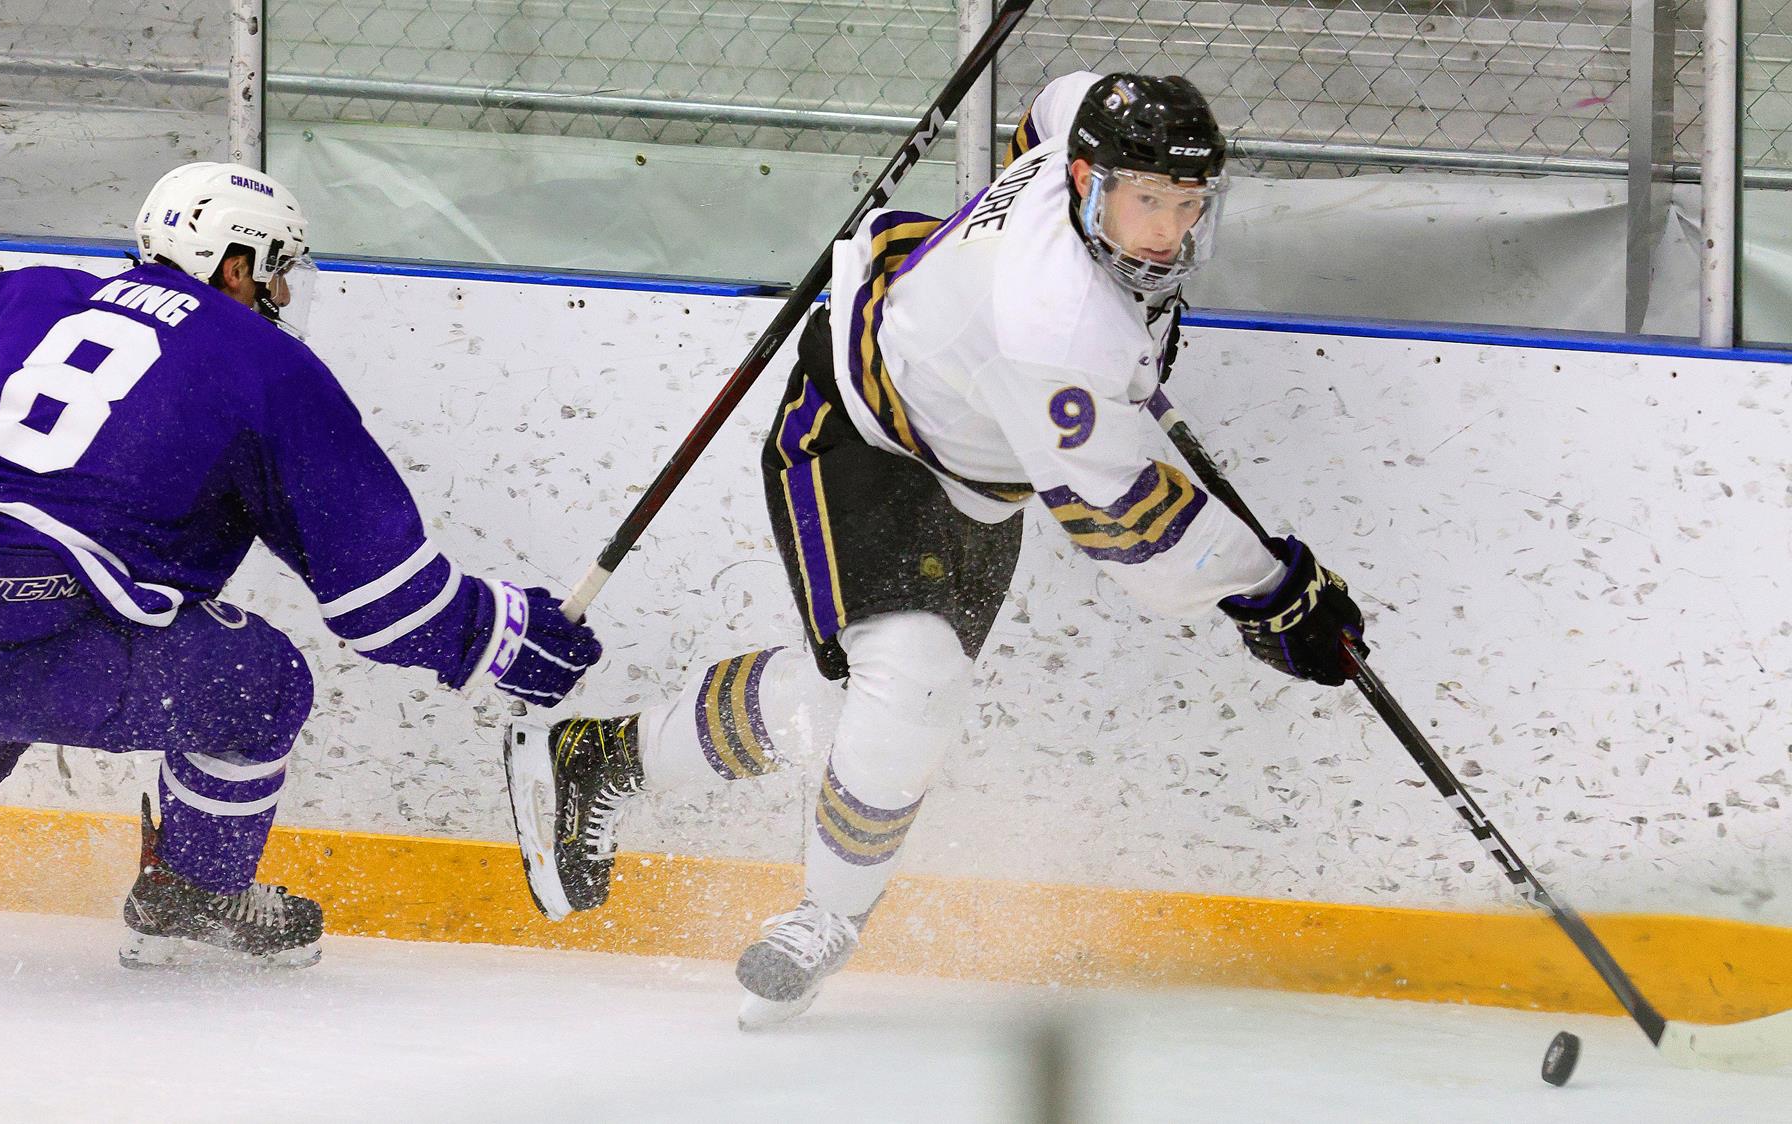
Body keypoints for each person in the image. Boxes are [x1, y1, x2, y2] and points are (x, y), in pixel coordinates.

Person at [503, 72, 1366, 1026]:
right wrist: (1274, 589)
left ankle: (603, 757)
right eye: (1145, 201)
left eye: (1186, 204)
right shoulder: (1053, 328)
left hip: (978, 461)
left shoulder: (1074, 149)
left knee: (864, 702)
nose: (1165, 231)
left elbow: (1047, 100)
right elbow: (1124, 517)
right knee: (911, 681)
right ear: (1084, 182)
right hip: (859, 434)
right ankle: (824, 917)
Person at [0, 162, 602, 968]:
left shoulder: (42, 292)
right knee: (262, 684)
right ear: (237, 265)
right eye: (277, 274)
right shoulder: (268, 369)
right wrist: (505, 634)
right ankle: (196, 893)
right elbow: (386, 605)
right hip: (44, 638)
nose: (283, 297)